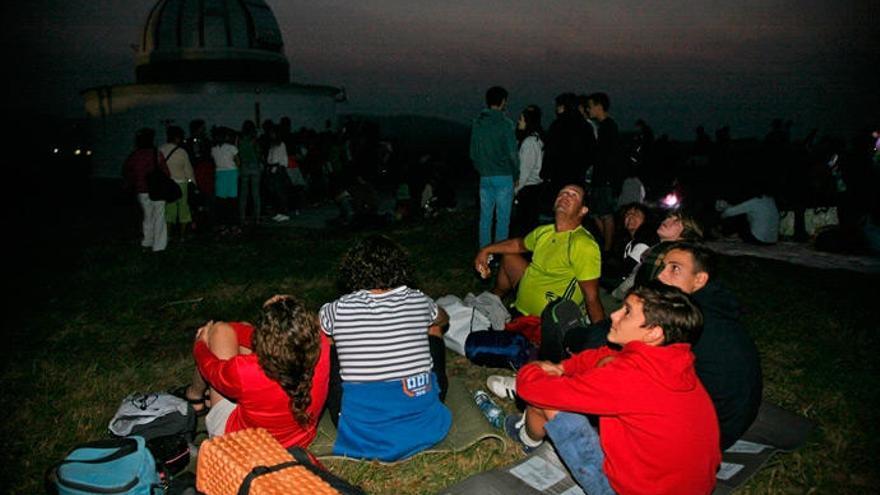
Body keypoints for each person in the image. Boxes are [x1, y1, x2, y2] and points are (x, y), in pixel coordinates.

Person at [508, 282, 720, 495]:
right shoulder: (673, 364)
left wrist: (536, 368)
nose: (615, 315)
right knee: (605, 362)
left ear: (654, 333)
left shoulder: (629, 378)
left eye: (627, 312)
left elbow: (530, 388)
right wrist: (563, 367)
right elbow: (605, 356)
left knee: (548, 400)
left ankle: (526, 439)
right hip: (687, 487)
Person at [562, 242, 763, 450]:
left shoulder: (689, 318)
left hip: (702, 435)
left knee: (605, 363)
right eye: (664, 267)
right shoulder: (713, 305)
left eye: (675, 269)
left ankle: (568, 337)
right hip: (726, 420)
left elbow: (614, 344)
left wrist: (576, 341)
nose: (661, 276)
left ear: (700, 279)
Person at [320, 235, 451, 461]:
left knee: (328, 338)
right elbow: (443, 319)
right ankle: (423, 392)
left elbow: (315, 328)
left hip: (361, 430)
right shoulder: (419, 300)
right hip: (425, 423)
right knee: (434, 329)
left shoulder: (338, 308)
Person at [178, 295, 330, 449]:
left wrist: (201, 343)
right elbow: (248, 332)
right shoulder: (322, 344)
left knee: (219, 332)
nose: (277, 296)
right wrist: (231, 327)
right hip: (299, 440)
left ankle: (194, 396)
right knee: (232, 329)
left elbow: (211, 368)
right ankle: (199, 396)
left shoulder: (245, 370)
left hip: (246, 445)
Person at [474, 183, 605, 323]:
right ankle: (493, 299)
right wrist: (486, 250)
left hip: (546, 320)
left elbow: (592, 297)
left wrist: (599, 337)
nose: (565, 196)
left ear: (583, 210)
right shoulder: (546, 231)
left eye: (574, 195)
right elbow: (518, 245)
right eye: (563, 192)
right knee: (509, 257)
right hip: (526, 296)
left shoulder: (583, 244)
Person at [470, 86, 519, 248]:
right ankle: (499, 254)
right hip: (504, 176)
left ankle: (485, 253)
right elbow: (512, 153)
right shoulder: (506, 124)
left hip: (485, 176)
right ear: (503, 101)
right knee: (503, 218)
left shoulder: (478, 123)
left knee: (485, 218)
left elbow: (473, 153)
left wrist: (481, 169)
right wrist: (516, 173)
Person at [122, 128, 169, 252]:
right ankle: (158, 246)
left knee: (147, 216)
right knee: (159, 217)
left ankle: (147, 241)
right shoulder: (156, 153)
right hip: (157, 189)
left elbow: (127, 171)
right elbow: (165, 171)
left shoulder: (135, 155)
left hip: (141, 190)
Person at [542, 93, 596, 200]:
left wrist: (546, 172)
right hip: (578, 175)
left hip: (558, 175)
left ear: (563, 106)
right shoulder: (585, 125)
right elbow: (592, 151)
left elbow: (550, 151)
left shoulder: (558, 125)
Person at [586, 92, 622, 253]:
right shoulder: (604, 126)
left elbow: (610, 155)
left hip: (606, 177)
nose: (588, 109)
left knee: (605, 213)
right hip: (600, 177)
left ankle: (609, 248)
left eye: (590, 106)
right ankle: (608, 245)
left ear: (599, 106)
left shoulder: (609, 127)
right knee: (596, 213)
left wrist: (611, 179)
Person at [512, 105, 545, 237]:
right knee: (530, 225)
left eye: (521, 119)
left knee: (525, 227)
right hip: (534, 189)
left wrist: (514, 191)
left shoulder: (530, 142)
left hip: (528, 190)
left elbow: (524, 172)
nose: (518, 122)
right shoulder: (536, 139)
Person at [160, 126, 195, 240]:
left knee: (169, 209)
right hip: (181, 183)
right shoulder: (182, 152)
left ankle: (169, 235)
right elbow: (188, 169)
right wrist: (193, 182)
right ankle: (182, 235)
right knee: (183, 208)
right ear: (177, 138)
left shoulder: (161, 149)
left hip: (166, 183)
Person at [210, 127, 240, 230]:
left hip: (220, 173)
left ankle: (223, 224)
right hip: (231, 173)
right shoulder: (231, 147)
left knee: (221, 200)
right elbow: (237, 160)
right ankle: (233, 224)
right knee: (232, 200)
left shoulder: (213, 149)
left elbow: (214, 162)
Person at [237, 120, 263, 225]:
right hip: (254, 166)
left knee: (243, 194)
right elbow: (258, 153)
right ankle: (257, 217)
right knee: (255, 194)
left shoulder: (240, 140)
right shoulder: (254, 140)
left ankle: (242, 218)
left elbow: (238, 153)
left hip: (244, 166)